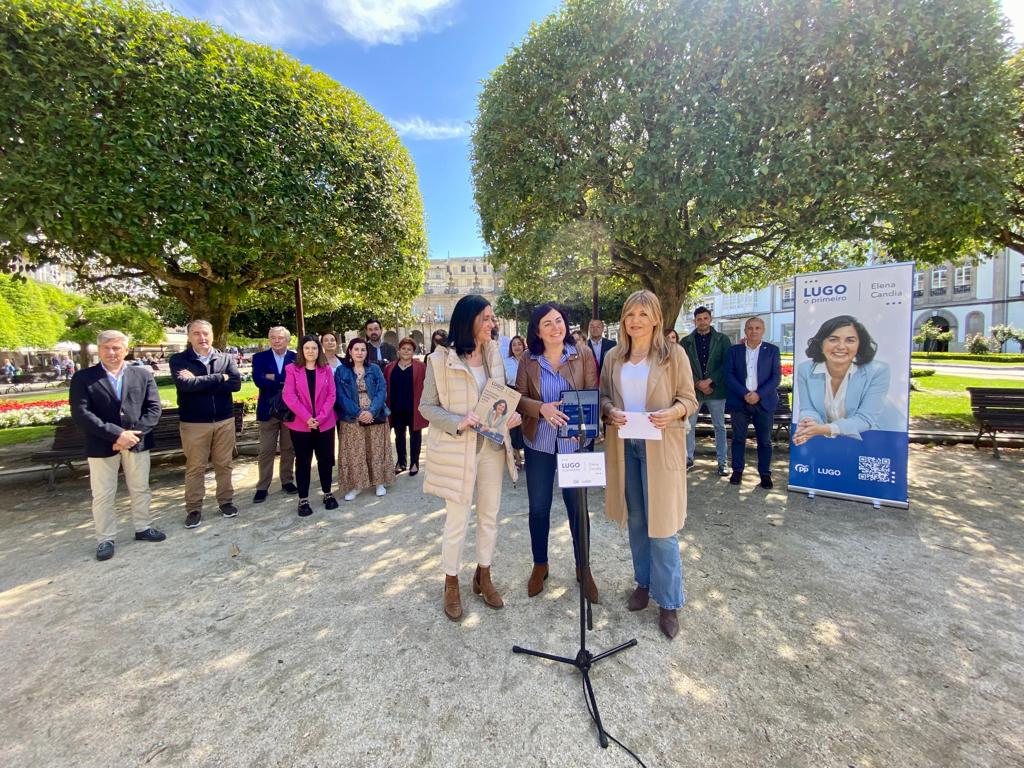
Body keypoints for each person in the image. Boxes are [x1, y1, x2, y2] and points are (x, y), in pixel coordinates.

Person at [600, 290, 697, 640]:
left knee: (664, 527)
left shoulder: (674, 355)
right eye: (629, 315)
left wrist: (672, 412)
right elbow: (605, 397)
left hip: (661, 445)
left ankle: (669, 601)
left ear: (656, 318)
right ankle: (643, 582)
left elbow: (689, 399)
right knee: (637, 520)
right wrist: (609, 411)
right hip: (627, 446)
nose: (635, 321)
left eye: (642, 314)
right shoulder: (613, 357)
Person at [420, 294, 521, 621]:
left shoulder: (494, 355)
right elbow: (427, 407)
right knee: (457, 520)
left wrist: (509, 419)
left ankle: (483, 575)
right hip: (457, 450)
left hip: (491, 448)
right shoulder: (439, 360)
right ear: (470, 321)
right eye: (488, 318)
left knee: (490, 515)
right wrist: (457, 422)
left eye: (493, 318)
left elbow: (499, 400)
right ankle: (451, 582)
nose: (493, 324)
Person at [515, 302, 600, 601]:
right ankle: (540, 564)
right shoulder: (529, 358)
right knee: (539, 507)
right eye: (548, 323)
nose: (556, 327)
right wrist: (541, 408)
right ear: (537, 330)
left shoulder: (583, 353)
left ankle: (583, 567)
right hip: (539, 442)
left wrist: (587, 428)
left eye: (559, 321)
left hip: (574, 443)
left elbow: (593, 393)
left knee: (577, 507)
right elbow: (519, 398)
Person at [70, 330, 165, 561]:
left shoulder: (142, 374)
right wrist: (116, 435)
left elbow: (154, 409)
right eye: (106, 348)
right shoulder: (84, 378)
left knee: (140, 488)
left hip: (137, 443)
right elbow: (81, 413)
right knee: (103, 494)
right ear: (99, 349)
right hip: (102, 444)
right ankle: (105, 538)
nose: (111, 353)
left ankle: (143, 527)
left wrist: (132, 436)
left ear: (125, 349)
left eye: (116, 348)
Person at [170, 319, 242, 528]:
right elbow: (185, 386)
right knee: (195, 467)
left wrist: (199, 381)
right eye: (196, 334)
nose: (202, 338)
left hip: (224, 420)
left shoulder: (226, 357)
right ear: (189, 336)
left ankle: (226, 501)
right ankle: (193, 508)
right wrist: (221, 378)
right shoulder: (179, 360)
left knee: (224, 464)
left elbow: (236, 385)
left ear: (211, 335)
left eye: (205, 333)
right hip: (194, 423)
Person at [793, 315, 895, 443]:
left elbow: (865, 418)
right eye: (833, 339)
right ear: (821, 343)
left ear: (859, 344)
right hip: (822, 441)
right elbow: (808, 408)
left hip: (868, 440)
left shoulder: (878, 370)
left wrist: (824, 429)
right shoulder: (805, 369)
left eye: (850, 340)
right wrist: (808, 422)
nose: (841, 346)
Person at [282, 335, 338, 516]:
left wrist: (320, 418)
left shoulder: (326, 369)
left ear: (318, 350)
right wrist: (307, 417)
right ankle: (303, 499)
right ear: (301, 350)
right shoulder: (292, 369)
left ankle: (327, 493)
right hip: (301, 425)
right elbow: (289, 396)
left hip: (325, 423)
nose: (311, 351)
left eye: (314, 348)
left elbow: (332, 395)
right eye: (307, 348)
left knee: (325, 460)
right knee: (303, 461)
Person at [725, 317, 781, 489]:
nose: (753, 331)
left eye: (757, 328)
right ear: (745, 331)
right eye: (750, 328)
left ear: (763, 330)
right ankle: (737, 471)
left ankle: (765, 474)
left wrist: (759, 394)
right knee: (738, 439)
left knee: (764, 441)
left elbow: (776, 377)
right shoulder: (734, 351)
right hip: (740, 402)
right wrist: (744, 393)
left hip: (763, 402)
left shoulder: (772, 350)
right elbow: (729, 374)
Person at [335, 338, 394, 500]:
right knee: (356, 452)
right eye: (356, 349)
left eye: (363, 350)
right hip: (352, 417)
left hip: (375, 415)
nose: (359, 352)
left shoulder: (374, 369)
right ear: (350, 352)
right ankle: (357, 485)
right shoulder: (342, 371)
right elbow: (340, 395)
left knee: (376, 449)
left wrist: (372, 411)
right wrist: (358, 412)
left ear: (366, 352)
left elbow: (382, 390)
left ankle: (379, 482)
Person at [680, 306, 731, 475]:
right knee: (689, 426)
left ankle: (722, 462)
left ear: (710, 319)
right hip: (693, 391)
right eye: (699, 319)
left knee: (719, 426)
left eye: (705, 318)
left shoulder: (722, 340)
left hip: (715, 391)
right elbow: (683, 366)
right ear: (695, 321)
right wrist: (697, 383)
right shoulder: (686, 341)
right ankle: (688, 458)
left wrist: (710, 381)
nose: (702, 321)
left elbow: (726, 364)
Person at [251, 326, 297, 504]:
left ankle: (287, 481)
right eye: (273, 337)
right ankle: (263, 486)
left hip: (289, 411)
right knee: (266, 450)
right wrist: (283, 380)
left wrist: (273, 378)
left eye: (280, 338)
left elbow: (296, 382)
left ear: (287, 340)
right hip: (268, 410)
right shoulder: (259, 358)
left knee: (288, 448)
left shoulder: (295, 358)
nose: (276, 340)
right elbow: (258, 380)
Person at [384, 337, 427, 476]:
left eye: (409, 349)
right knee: (399, 436)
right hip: (396, 408)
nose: (406, 351)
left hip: (414, 408)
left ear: (413, 352)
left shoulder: (421, 367)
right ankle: (401, 462)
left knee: (415, 436)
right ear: (398, 350)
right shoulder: (390, 368)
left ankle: (414, 462)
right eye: (403, 348)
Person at [504, 335, 526, 468]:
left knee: (526, 426)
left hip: (526, 394)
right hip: (511, 394)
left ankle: (527, 457)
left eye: (519, 344)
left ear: (523, 346)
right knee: (514, 427)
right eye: (514, 345)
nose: (517, 347)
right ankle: (516, 459)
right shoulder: (506, 361)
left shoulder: (528, 359)